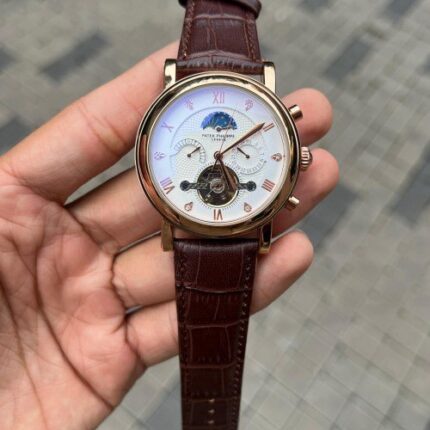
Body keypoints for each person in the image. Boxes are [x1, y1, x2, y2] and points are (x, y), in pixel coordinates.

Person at [0, 42, 338, 429]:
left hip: (231, 220)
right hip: (196, 219)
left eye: (224, 154)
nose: (217, 157)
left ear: (295, 160)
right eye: (207, 152)